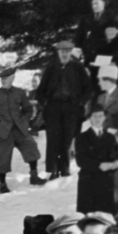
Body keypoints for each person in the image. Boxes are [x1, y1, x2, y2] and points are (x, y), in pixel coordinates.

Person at [0, 67, 45, 194]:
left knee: (31, 148)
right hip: (3, 132)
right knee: (2, 157)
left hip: (20, 130)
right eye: (2, 79)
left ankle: (34, 176)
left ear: (12, 78)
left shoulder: (19, 93)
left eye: (5, 78)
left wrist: (24, 122)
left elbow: (28, 109)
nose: (3, 81)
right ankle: (2, 185)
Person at [37, 39, 92, 180]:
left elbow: (88, 88)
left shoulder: (77, 67)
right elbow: (41, 90)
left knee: (68, 138)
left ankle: (65, 168)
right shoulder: (51, 67)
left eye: (67, 51)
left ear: (71, 52)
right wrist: (45, 103)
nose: (65, 54)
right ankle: (54, 170)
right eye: (62, 51)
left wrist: (80, 103)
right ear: (58, 53)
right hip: (53, 107)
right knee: (53, 138)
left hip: (72, 107)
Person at [76, 100, 118, 213]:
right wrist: (99, 165)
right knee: (89, 217)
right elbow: (80, 160)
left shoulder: (110, 137)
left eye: (101, 116)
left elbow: (117, 156)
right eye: (95, 116)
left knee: (105, 217)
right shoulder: (82, 137)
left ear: (104, 118)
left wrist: (115, 163)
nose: (98, 119)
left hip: (105, 182)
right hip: (88, 182)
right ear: (90, 118)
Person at [95, 66, 118, 208]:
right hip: (103, 139)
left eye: (100, 79)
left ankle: (117, 204)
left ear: (108, 80)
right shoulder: (101, 97)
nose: (98, 82)